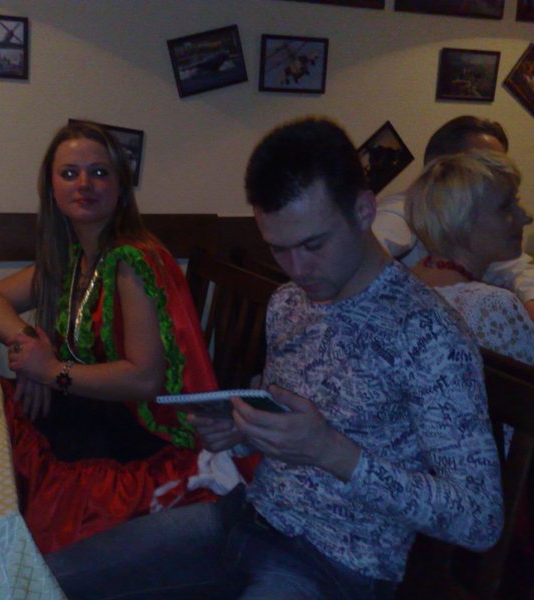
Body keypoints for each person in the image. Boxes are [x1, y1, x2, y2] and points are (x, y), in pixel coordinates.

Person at [44, 116, 503, 599]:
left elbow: (479, 518)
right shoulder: (288, 303)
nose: (298, 269)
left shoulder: (429, 334)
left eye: (313, 244)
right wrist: (241, 433)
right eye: (279, 249)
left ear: (364, 209)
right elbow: (281, 425)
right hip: (245, 517)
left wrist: (332, 452)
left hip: (336, 565)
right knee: (42, 579)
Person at [0, 121, 238, 554]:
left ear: (121, 187)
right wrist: (28, 343)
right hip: (91, 408)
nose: (84, 184)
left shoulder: (132, 259)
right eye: (69, 173)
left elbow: (144, 379)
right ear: (51, 188)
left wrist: (50, 371)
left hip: (136, 433)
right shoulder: (76, 255)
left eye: (99, 172)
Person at [372, 115, 534, 348]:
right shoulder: (402, 210)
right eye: (484, 165)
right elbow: (355, 264)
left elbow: (520, 270)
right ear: (442, 168)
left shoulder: (481, 227)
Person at [406, 149, 534, 377]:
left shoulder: (406, 284)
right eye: (506, 206)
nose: (526, 217)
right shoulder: (490, 306)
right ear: (462, 220)